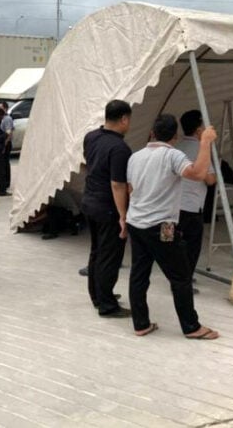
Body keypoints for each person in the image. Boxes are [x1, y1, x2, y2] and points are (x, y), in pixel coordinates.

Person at [126, 114, 219, 339]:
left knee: (139, 274)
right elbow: (198, 174)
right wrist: (205, 142)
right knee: (180, 276)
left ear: (152, 133)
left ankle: (141, 323)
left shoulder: (135, 157)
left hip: (136, 222)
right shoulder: (172, 155)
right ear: (174, 137)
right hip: (163, 225)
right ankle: (191, 327)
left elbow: (130, 188)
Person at [82, 100, 133, 318]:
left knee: (96, 251)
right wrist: (123, 215)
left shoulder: (91, 137)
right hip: (107, 207)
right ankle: (107, 304)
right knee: (109, 255)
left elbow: (88, 162)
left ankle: (97, 294)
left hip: (90, 201)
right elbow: (117, 184)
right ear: (123, 119)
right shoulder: (120, 148)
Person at [175, 110, 217, 293]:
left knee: (175, 243)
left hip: (174, 205)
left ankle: (176, 277)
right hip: (191, 206)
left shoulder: (177, 147)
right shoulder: (201, 149)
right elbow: (210, 179)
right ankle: (183, 282)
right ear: (199, 129)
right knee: (191, 247)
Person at [0, 101, 14, 191]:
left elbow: (9, 133)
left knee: (5, 163)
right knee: (3, 163)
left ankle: (6, 182)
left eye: (1, 108)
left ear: (5, 108)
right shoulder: (2, 118)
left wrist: (5, 144)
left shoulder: (7, 119)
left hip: (6, 143)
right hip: (3, 142)